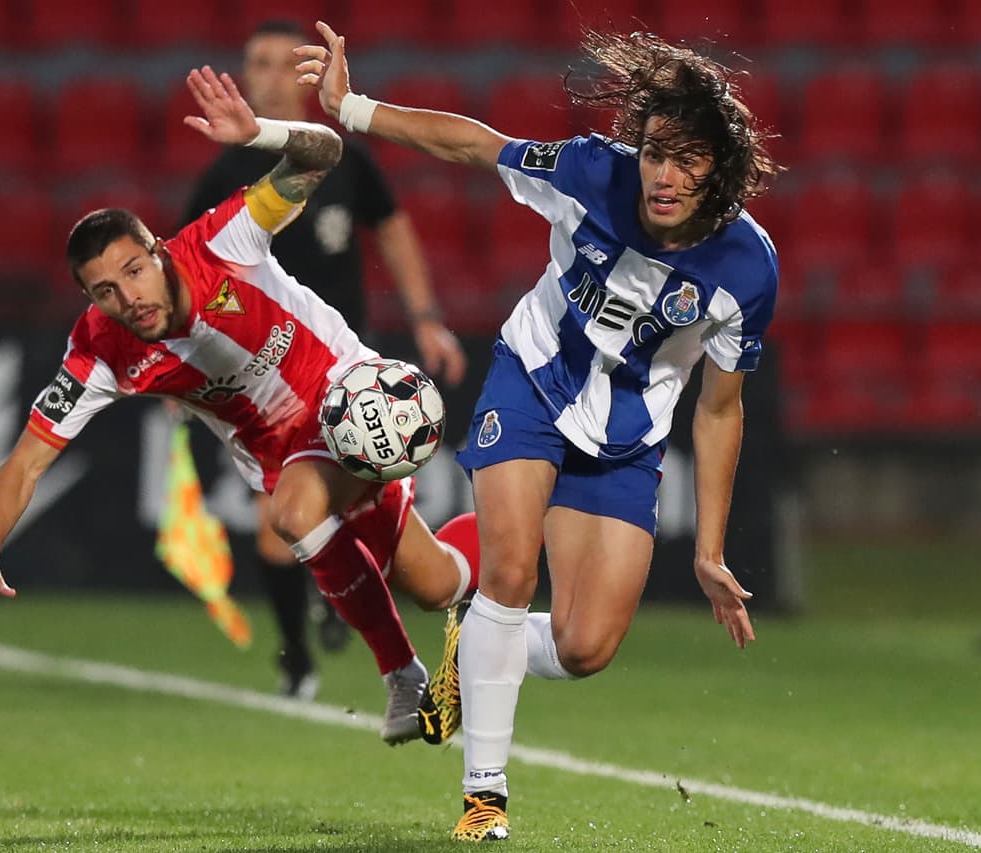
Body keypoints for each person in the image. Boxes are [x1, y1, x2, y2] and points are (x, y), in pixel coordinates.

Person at [297, 22, 781, 840]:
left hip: (625, 438)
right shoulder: (595, 172)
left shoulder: (747, 269)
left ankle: (473, 645)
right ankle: (484, 795)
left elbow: (720, 407)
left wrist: (709, 549)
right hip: (532, 382)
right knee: (511, 571)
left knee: (585, 645)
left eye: (688, 159)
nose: (664, 176)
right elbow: (477, 146)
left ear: (721, 170)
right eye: (656, 153)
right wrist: (352, 107)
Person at [0, 64, 482, 745]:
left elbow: (326, 153)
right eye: (104, 289)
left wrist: (264, 136)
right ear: (90, 300)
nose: (127, 296)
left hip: (347, 395)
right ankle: (502, 553)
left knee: (293, 512)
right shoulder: (101, 350)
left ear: (157, 251)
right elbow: (26, 461)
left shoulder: (224, 239)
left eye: (133, 269)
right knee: (437, 583)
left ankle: (402, 673)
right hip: (279, 452)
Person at [181, 19, 467, 701]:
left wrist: (426, 317)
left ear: (306, 78)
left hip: (344, 372)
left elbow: (392, 226)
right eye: (261, 63)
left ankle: (377, 613)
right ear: (246, 76)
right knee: (284, 526)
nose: (274, 75)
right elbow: (181, 285)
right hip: (261, 389)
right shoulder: (223, 174)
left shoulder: (340, 161)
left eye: (287, 63)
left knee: (352, 524)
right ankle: (300, 659)